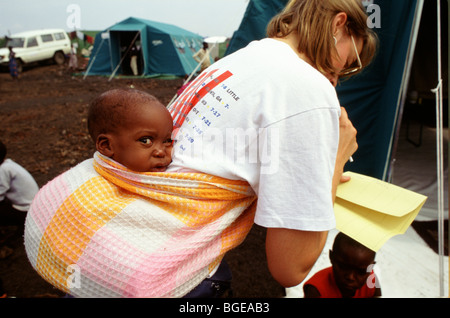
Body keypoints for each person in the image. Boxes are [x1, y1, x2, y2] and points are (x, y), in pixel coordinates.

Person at [168, 0, 378, 289]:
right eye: (349, 60)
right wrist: (336, 158)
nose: (336, 79)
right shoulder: (307, 86)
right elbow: (290, 267)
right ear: (337, 24)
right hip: (164, 268)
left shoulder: (241, 58)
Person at [87, 89, 173, 172]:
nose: (161, 152)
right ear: (107, 146)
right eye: (146, 141)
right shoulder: (92, 183)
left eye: (167, 141)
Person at [303, 232, 382, 298]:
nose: (350, 277)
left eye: (361, 272)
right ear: (331, 257)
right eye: (343, 267)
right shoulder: (316, 289)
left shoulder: (372, 280)